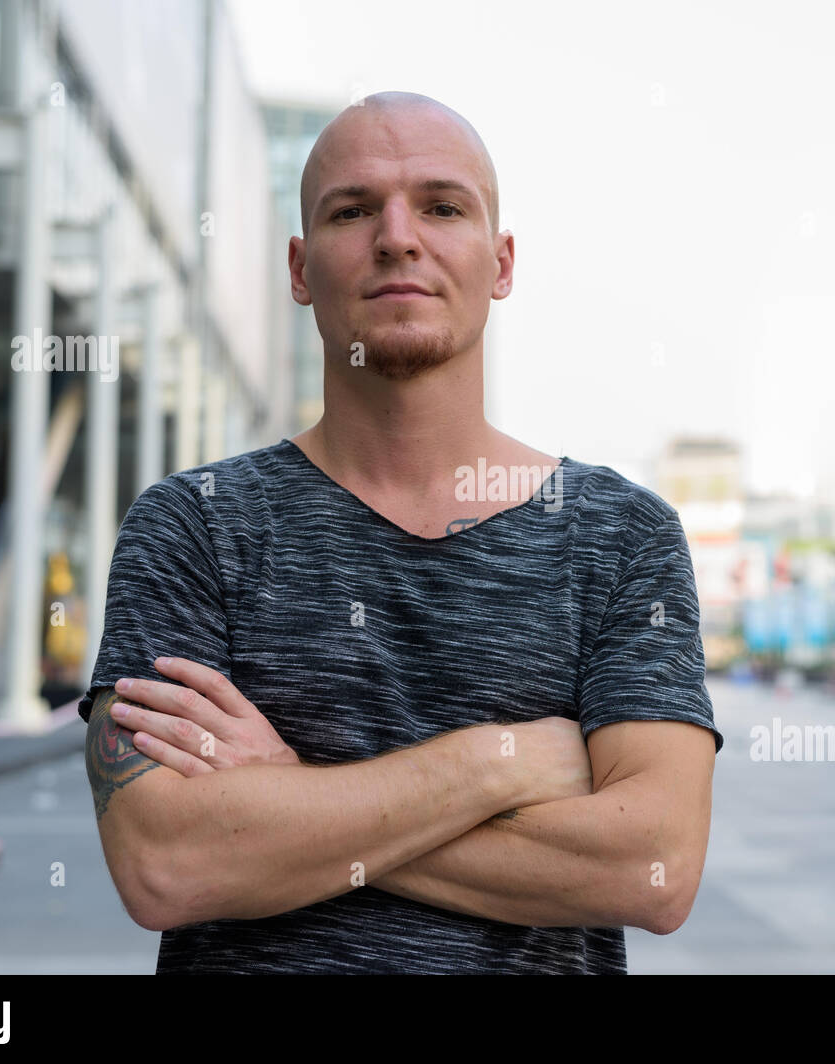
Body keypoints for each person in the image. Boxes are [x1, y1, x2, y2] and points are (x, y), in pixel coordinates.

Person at [79, 91, 723, 974]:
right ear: (301, 271)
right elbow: (166, 865)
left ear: (501, 262)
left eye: (441, 206)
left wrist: (287, 799)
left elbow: (654, 868)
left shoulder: (621, 536)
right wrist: (497, 766)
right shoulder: (193, 527)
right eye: (353, 210)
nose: (397, 237)